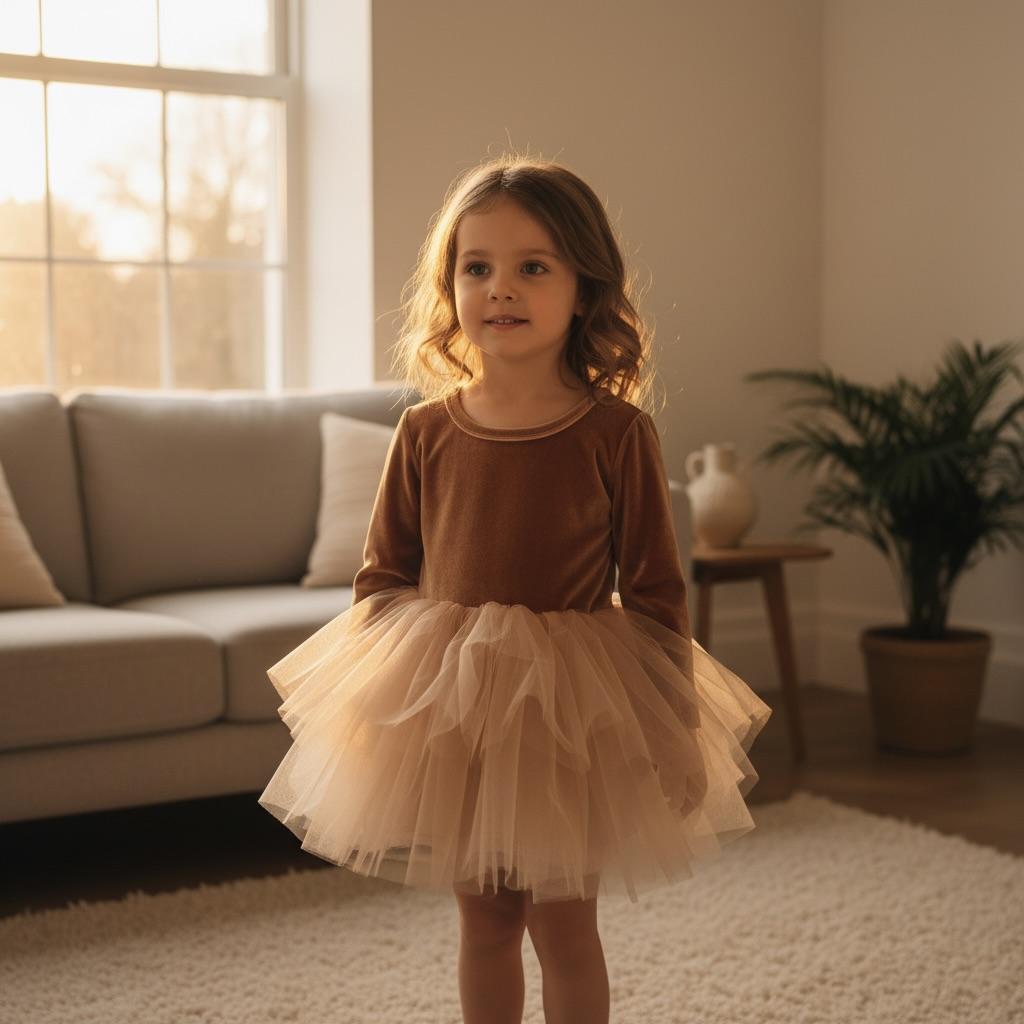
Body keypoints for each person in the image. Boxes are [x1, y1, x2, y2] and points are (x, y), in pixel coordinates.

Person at [258, 152, 772, 1024]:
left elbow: (654, 592)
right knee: (485, 920)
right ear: (450, 287)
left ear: (585, 287)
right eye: (477, 267)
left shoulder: (616, 432)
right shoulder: (425, 431)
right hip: (456, 708)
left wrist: (676, 729)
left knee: (564, 927)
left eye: (532, 267)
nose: (501, 288)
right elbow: (382, 577)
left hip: (570, 712)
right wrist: (377, 709)